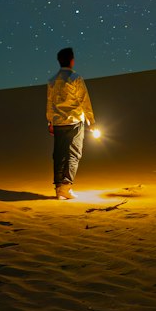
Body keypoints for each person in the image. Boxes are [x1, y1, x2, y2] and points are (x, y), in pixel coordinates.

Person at [46, 46, 95, 200]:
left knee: (59, 154)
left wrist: (50, 121)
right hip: (74, 121)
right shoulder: (76, 78)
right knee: (73, 153)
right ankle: (66, 188)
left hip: (59, 122)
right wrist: (91, 121)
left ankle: (59, 188)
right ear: (72, 61)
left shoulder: (52, 80)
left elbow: (50, 103)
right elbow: (84, 100)